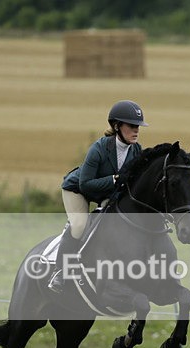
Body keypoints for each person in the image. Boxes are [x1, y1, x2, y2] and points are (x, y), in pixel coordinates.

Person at [48, 100, 148, 293]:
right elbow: (85, 184)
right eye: (132, 126)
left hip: (105, 192)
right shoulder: (99, 149)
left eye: (138, 126)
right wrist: (115, 179)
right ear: (117, 126)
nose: (136, 130)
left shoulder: (136, 150)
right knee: (79, 226)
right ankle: (60, 272)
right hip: (77, 190)